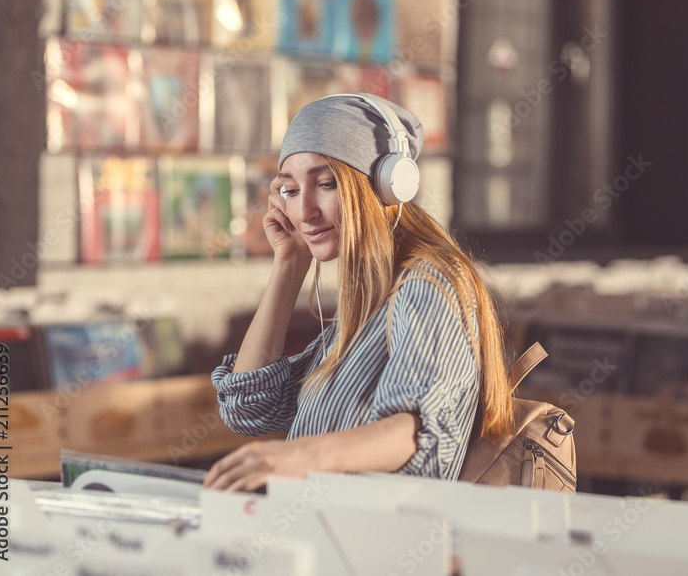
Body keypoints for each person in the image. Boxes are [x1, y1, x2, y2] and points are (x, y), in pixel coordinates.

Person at [203, 93, 513, 492]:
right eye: (290, 190)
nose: (303, 212)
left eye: (326, 184)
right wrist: (289, 265)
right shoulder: (367, 301)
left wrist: (303, 455)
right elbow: (249, 406)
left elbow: (418, 432)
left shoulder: (428, 283)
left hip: (380, 546)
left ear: (388, 186)